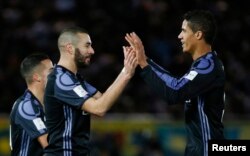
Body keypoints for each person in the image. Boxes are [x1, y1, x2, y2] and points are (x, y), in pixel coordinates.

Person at [125, 10, 225, 156]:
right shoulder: (204, 64)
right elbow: (175, 84)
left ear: (198, 34)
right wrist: (144, 60)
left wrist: (144, 65)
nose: (179, 36)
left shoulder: (208, 66)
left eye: (184, 31)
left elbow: (174, 93)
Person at [44, 27, 137, 155]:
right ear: (70, 48)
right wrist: (126, 73)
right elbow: (99, 108)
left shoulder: (74, 79)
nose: (92, 51)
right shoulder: (61, 80)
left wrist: (126, 68)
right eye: (87, 46)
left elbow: (103, 100)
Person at [10, 53, 53, 156]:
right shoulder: (25, 106)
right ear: (37, 77)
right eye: (52, 71)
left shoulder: (47, 106)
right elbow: (50, 145)